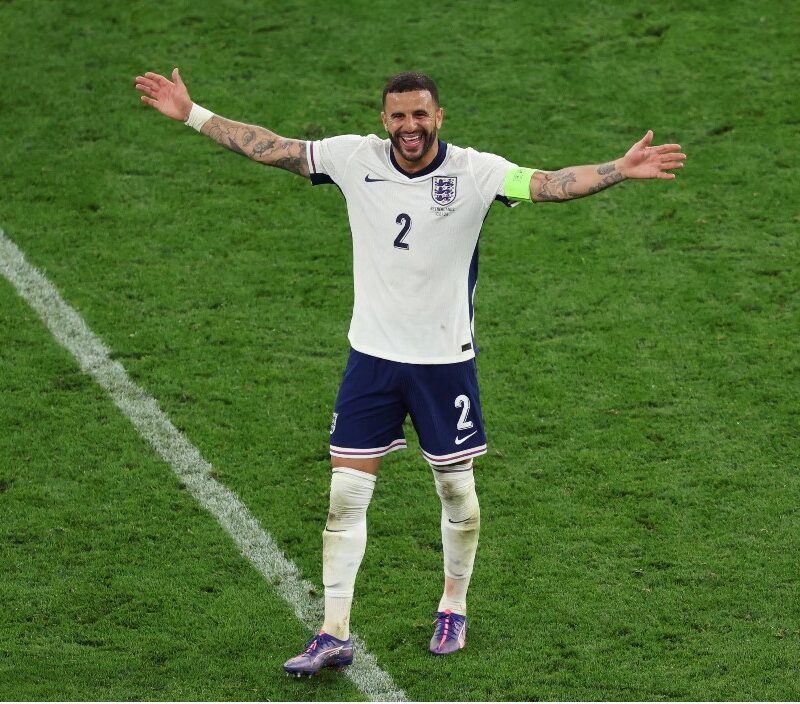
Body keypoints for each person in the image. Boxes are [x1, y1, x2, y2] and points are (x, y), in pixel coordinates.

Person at [135, 68, 685, 675]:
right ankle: (334, 631)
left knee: (456, 490)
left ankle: (454, 603)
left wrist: (617, 169)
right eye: (398, 116)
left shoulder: (475, 172)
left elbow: (551, 183)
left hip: (444, 365)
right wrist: (192, 112)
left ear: (438, 118)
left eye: (420, 115)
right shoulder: (351, 158)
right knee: (344, 496)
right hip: (371, 359)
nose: (409, 127)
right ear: (384, 120)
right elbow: (274, 147)